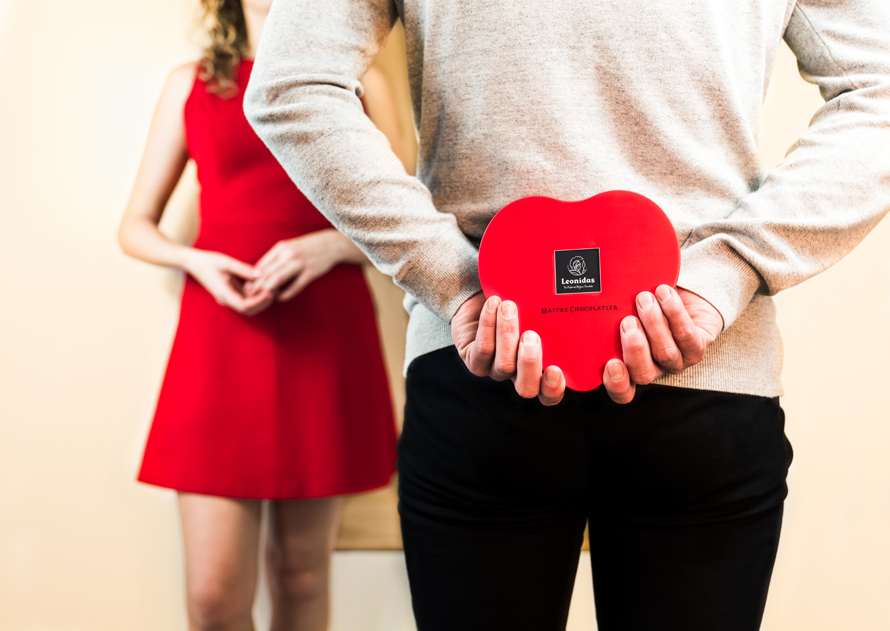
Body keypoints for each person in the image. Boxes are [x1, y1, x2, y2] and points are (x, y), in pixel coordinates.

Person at [243, 1, 890, 630]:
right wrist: (729, 269)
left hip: (487, 362)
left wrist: (458, 280)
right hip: (693, 371)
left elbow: (289, 84)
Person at [117, 1, 403, 629]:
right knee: (214, 596)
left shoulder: (362, 80)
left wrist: (331, 246)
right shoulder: (189, 85)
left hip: (326, 335)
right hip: (218, 336)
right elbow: (134, 228)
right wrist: (198, 263)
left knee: (301, 577)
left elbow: (411, 225)